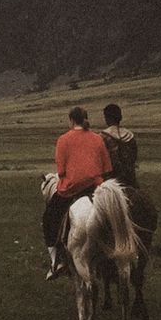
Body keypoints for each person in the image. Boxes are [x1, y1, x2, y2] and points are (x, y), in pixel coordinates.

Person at [41, 105, 111, 279]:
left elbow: (61, 172)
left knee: (49, 217)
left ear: (71, 120)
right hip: (96, 187)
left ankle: (56, 261)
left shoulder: (63, 139)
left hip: (72, 188)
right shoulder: (98, 138)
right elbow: (106, 168)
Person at [98, 102, 138, 188]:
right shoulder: (130, 135)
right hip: (130, 177)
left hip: (111, 179)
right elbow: (134, 156)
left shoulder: (103, 136)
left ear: (106, 118)